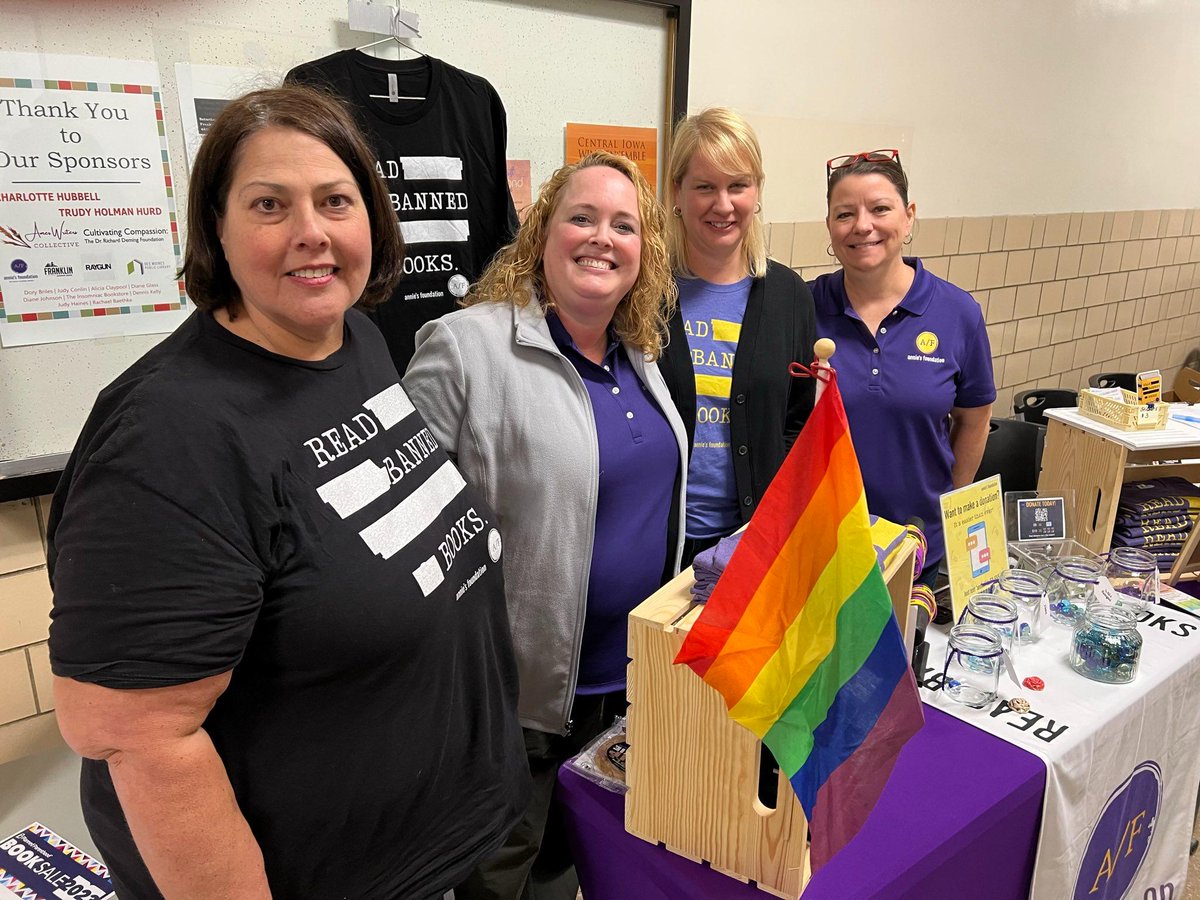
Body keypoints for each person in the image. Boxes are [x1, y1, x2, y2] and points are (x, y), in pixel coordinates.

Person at [46, 85, 528, 900]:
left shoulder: (355, 343)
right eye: (270, 204)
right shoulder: (169, 434)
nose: (313, 233)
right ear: (217, 232)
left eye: (336, 201)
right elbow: (135, 736)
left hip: (436, 848)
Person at [404, 150, 688, 900]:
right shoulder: (467, 347)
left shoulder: (639, 355)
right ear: (543, 232)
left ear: (644, 252)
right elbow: (402, 536)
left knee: (568, 860)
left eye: (624, 225)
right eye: (583, 217)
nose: (602, 237)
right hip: (514, 693)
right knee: (496, 873)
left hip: (619, 684)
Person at [812, 149, 995, 585]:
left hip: (916, 551)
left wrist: (944, 502)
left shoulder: (957, 313)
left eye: (880, 209)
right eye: (845, 214)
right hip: (820, 551)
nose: (863, 226)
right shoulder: (803, 308)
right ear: (830, 226)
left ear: (909, 216)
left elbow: (975, 418)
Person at [657, 107, 817, 564]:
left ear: (757, 191)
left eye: (738, 186)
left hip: (753, 544)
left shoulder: (788, 296)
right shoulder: (642, 291)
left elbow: (799, 418)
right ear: (677, 193)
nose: (723, 205)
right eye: (704, 186)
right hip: (657, 545)